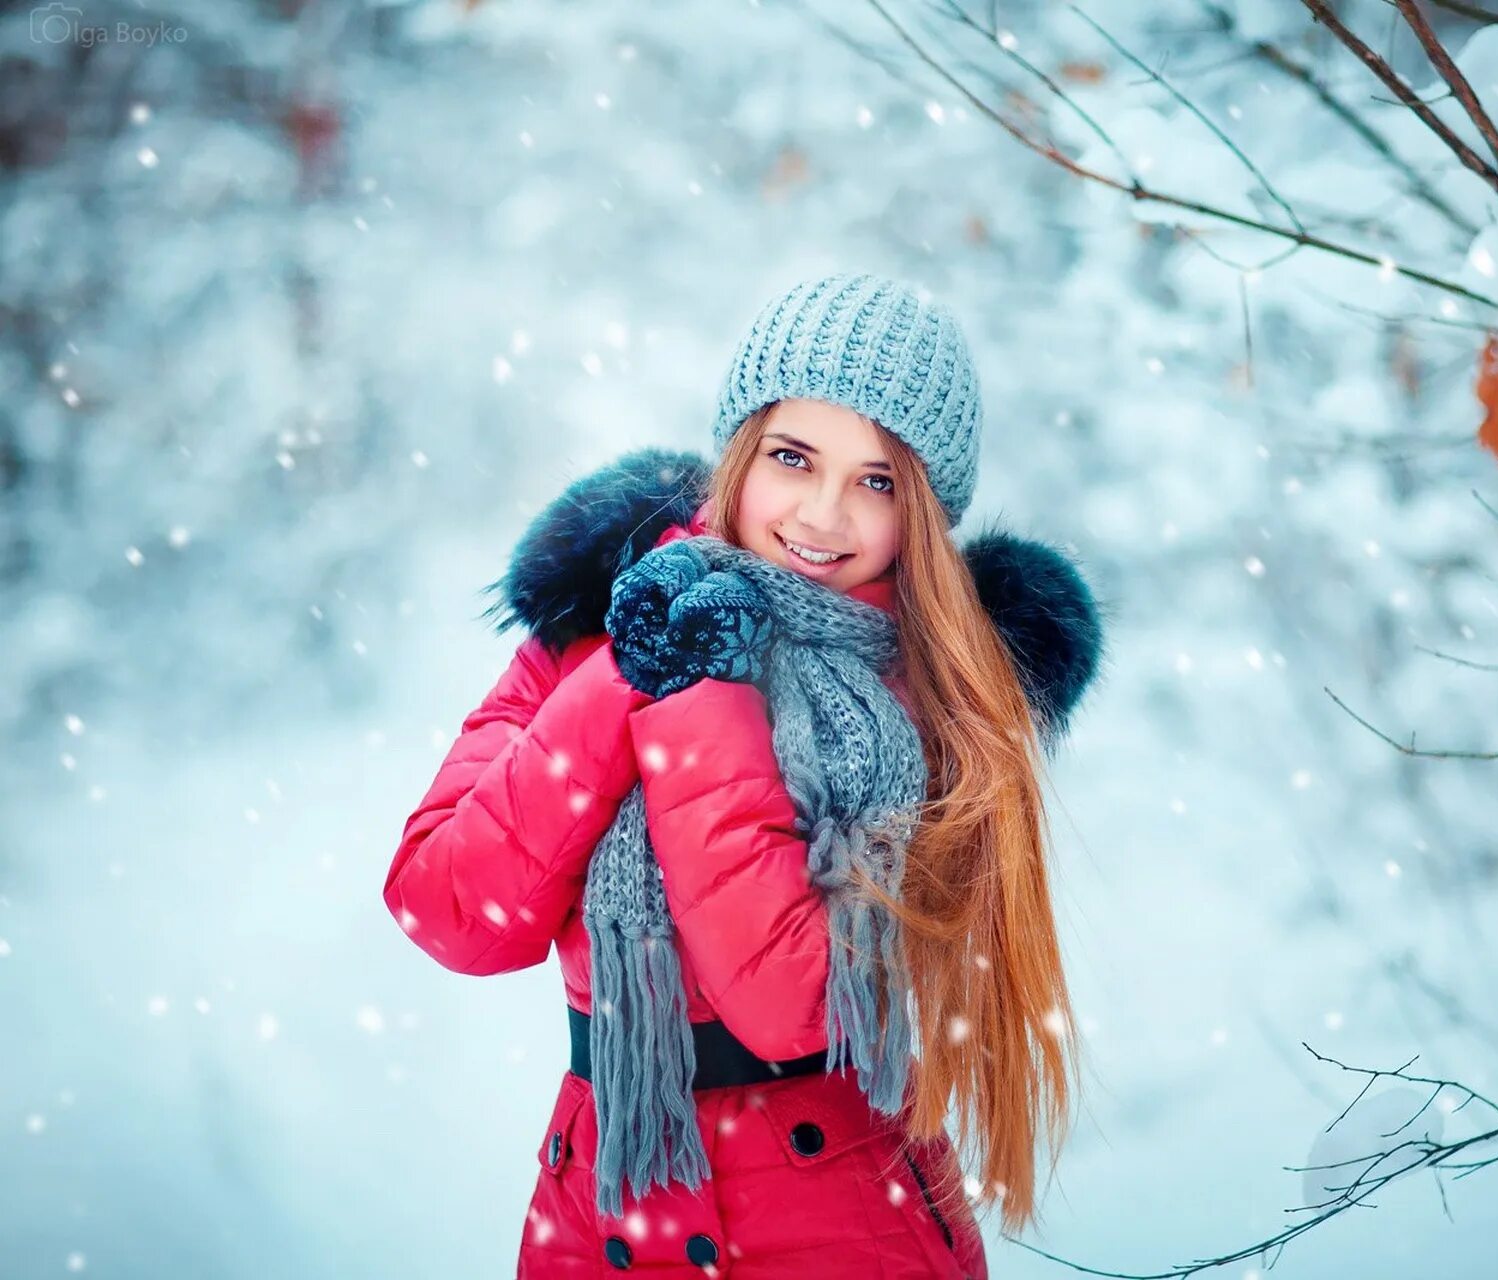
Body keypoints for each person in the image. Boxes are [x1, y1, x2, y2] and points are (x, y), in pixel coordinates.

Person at [383, 273, 1105, 1278]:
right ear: (741, 449)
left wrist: (694, 690)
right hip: (600, 1217)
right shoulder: (597, 626)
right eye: (794, 457)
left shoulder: (939, 703)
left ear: (924, 514)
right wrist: (627, 671)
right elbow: (450, 907)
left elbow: (790, 1002)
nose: (823, 512)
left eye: (878, 480)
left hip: (845, 1230)